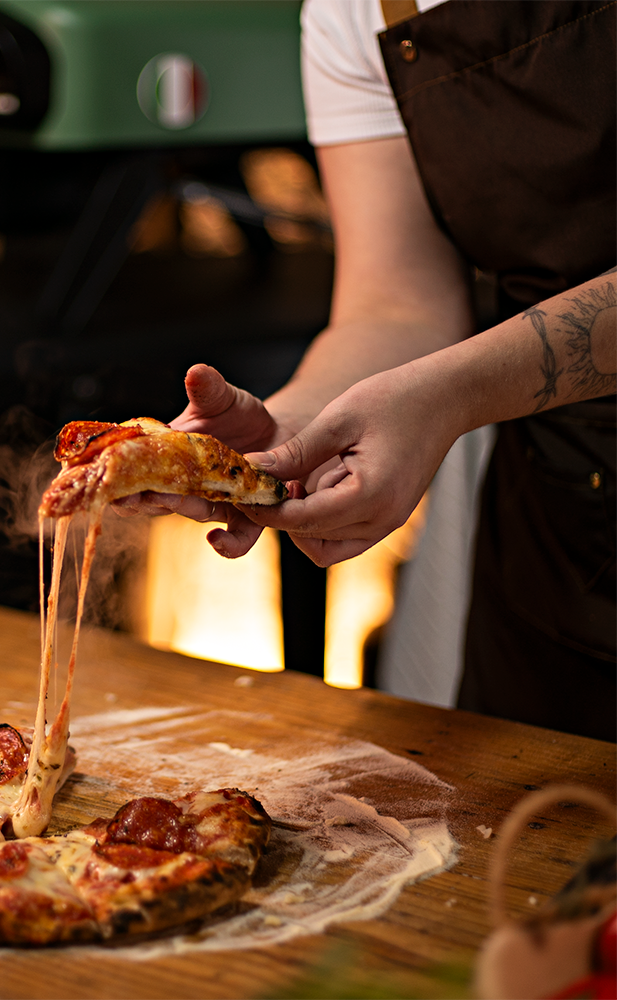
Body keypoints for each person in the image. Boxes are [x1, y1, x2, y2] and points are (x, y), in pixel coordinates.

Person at [117, 0, 617, 741]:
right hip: (562, 549)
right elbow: (397, 302)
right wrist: (294, 431)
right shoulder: (352, 10)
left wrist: (454, 393)